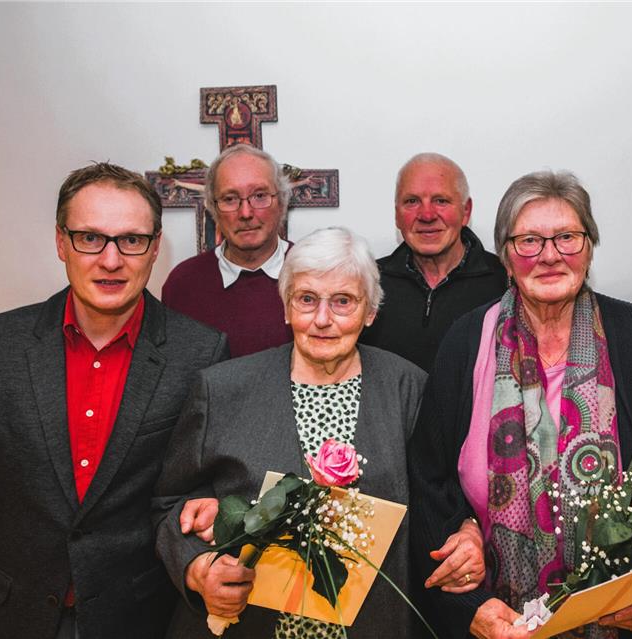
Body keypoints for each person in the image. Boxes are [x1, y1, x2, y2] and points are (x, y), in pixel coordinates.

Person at [153, 227, 481, 638]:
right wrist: (198, 567)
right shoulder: (222, 390)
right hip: (249, 625)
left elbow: (447, 492)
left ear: (370, 312)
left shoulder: (409, 389)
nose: (323, 319)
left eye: (343, 301)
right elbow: (170, 501)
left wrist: (468, 528)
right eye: (307, 299)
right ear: (287, 307)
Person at [408, 171, 632, 639]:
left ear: (589, 246)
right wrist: (469, 584)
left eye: (567, 237)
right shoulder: (465, 341)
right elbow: (428, 479)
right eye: (528, 241)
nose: (549, 255)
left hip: (622, 623)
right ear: (505, 254)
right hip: (500, 623)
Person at [0, 163, 228, 639]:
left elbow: (200, 493)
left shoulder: (201, 355)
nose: (110, 260)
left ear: (155, 247)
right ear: (61, 242)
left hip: (140, 618)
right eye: (90, 238)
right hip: (8, 615)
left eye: (131, 240)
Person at [360, 153, 507, 371]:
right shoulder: (367, 282)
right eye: (412, 201)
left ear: (466, 211)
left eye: (441, 201)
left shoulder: (504, 281)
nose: (427, 215)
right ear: (397, 215)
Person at [162, 144, 293, 357]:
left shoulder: (315, 273)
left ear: (281, 202)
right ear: (213, 208)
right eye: (230, 199)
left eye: (259, 195)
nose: (246, 213)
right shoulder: (183, 284)